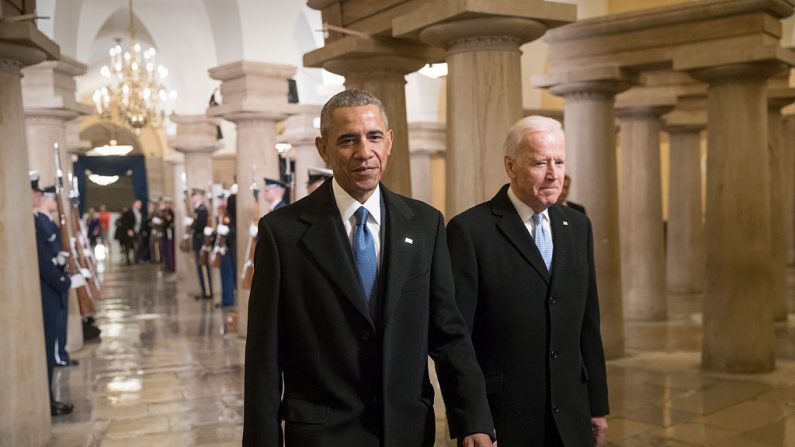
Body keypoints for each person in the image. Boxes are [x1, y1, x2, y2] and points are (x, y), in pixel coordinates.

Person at [243, 89, 494, 447]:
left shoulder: (425, 224)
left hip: (406, 430)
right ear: (323, 148)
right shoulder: (282, 234)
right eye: (348, 140)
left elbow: (449, 334)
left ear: (389, 141)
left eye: (374, 136)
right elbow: (264, 357)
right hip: (322, 435)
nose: (365, 152)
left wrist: (474, 418)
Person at [446, 116, 609, 447]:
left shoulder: (578, 226)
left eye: (559, 162)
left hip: (572, 414)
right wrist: (471, 418)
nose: (553, 174)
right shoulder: (470, 231)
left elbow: (588, 323)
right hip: (504, 416)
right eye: (540, 162)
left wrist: (597, 403)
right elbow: (456, 339)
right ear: (510, 166)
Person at [32, 175, 81, 416]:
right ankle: (46, 400)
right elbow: (43, 259)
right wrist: (63, 281)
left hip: (54, 286)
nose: (40, 196)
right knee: (49, 344)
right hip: (49, 287)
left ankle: (49, 398)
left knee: (55, 335)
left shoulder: (45, 221)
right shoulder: (36, 221)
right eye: (39, 193)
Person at [190, 189, 212, 299]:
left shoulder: (202, 210)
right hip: (198, 241)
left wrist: (192, 224)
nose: (192, 198)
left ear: (198, 197)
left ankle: (207, 292)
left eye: (194, 196)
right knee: (200, 267)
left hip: (201, 242)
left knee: (203, 266)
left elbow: (200, 227)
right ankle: (204, 291)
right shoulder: (198, 209)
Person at [119, 199, 143, 264]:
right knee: (128, 246)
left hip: (137, 231)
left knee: (140, 244)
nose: (140, 205)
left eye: (140, 204)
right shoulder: (128, 212)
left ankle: (136, 258)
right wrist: (128, 230)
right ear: (135, 204)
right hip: (130, 231)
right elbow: (124, 222)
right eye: (139, 204)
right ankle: (128, 259)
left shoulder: (139, 213)